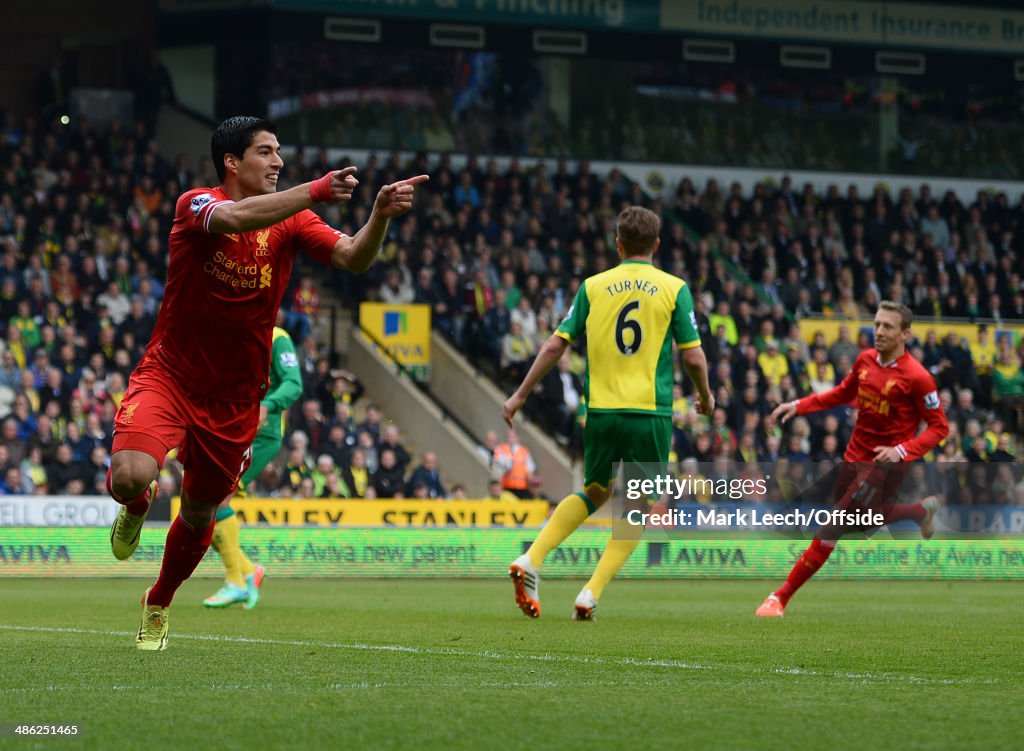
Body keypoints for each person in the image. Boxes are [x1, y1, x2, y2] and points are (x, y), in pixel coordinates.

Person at [105, 115, 427, 650]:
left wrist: (378, 218)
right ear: (232, 162)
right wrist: (317, 189)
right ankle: (136, 506)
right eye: (266, 152)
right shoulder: (196, 205)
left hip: (234, 396)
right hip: (171, 375)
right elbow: (233, 220)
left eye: (279, 152)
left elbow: (351, 256)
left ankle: (158, 602)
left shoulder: (293, 222)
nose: (278, 161)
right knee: (128, 476)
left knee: (202, 509)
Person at [502, 206, 713, 620]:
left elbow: (554, 346)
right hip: (648, 414)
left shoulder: (593, 287)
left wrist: (520, 395)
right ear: (656, 244)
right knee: (634, 507)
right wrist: (704, 395)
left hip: (599, 411)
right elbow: (694, 357)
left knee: (595, 491)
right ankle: (590, 593)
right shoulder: (674, 288)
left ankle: (532, 559)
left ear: (617, 244)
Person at [756, 301, 949, 618]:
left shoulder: (918, 377)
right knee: (861, 522)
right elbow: (842, 394)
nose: (880, 331)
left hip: (884, 467)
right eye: (877, 324)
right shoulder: (864, 360)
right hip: (853, 457)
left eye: (888, 326)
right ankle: (919, 511)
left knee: (831, 527)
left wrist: (901, 451)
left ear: (905, 333)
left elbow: (940, 426)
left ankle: (778, 598)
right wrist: (799, 405)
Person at [202, 321, 302, 610]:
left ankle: (236, 581)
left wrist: (267, 405)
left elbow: (294, 383)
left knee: (215, 501)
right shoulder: (232, 336)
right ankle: (248, 571)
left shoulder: (277, 337)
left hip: (260, 434)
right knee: (200, 506)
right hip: (229, 429)